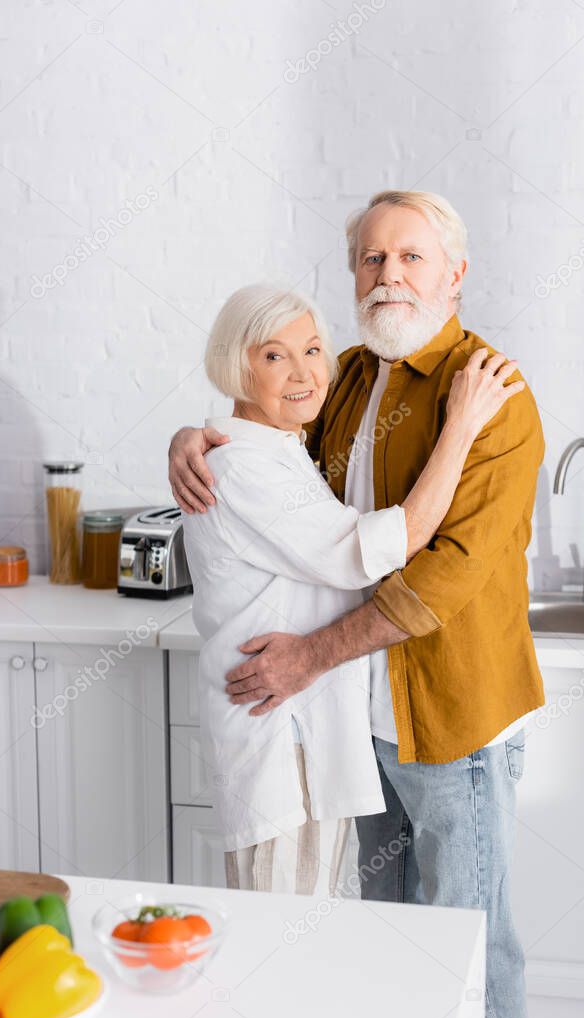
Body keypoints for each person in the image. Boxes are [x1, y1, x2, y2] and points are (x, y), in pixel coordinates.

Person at [169, 191, 545, 1018]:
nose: (389, 276)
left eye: (411, 257)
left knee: (472, 942)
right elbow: (269, 448)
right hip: (364, 724)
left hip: (448, 720)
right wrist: (196, 436)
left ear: (455, 274)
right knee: (391, 944)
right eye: (371, 259)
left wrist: (311, 655)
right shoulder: (345, 379)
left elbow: (443, 570)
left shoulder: (487, 392)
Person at [181, 280, 523, 901]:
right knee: (278, 949)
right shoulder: (243, 467)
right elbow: (382, 545)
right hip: (277, 740)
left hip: (309, 739)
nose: (305, 372)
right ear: (236, 365)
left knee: (322, 942)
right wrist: (463, 424)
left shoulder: (281, 449)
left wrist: (189, 434)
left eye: (312, 350)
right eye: (273, 355)